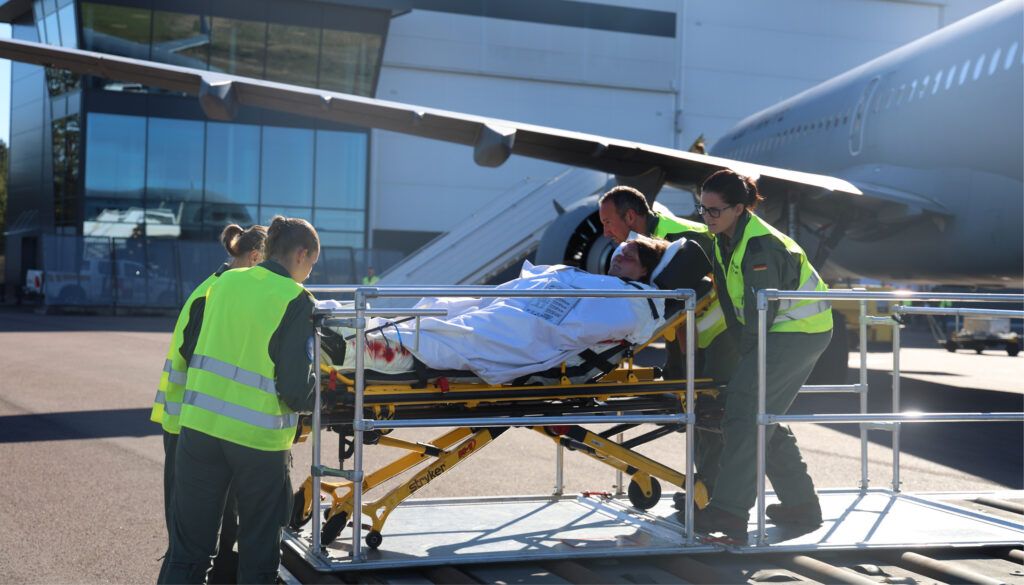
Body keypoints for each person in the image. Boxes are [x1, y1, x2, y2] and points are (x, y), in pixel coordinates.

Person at [159, 216, 320, 584]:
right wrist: (322, 392)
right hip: (257, 444)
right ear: (300, 254)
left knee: (188, 553)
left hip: (199, 431)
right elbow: (296, 390)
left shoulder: (225, 282)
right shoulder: (297, 300)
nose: (310, 272)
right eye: (312, 263)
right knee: (258, 557)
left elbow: (195, 347)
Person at [692, 170, 833, 542]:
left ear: (739, 209)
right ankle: (801, 505)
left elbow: (760, 313)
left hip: (797, 331)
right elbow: (731, 303)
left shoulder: (760, 247)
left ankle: (730, 511)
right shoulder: (724, 239)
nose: (706, 217)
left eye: (714, 210)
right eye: (702, 209)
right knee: (761, 415)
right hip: (777, 330)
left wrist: (748, 361)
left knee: (744, 411)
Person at [324, 237, 673, 385]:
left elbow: (583, 327)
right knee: (439, 310)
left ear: (645, 270)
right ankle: (349, 325)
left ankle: (355, 348)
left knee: (456, 337)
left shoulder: (636, 302)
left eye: (629, 256)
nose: (618, 256)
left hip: (526, 334)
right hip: (511, 309)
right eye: (619, 250)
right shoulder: (599, 283)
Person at [598, 186, 735, 499]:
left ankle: (714, 492)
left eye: (608, 222)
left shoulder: (684, 242)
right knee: (697, 410)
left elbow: (703, 294)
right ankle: (707, 486)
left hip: (718, 333)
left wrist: (688, 357)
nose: (606, 232)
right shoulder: (646, 243)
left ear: (630, 217)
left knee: (716, 410)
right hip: (691, 331)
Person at [151, 223, 266, 585]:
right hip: (189, 428)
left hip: (209, 426)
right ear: (255, 257)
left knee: (220, 532)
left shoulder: (219, 288)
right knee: (189, 543)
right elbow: (202, 357)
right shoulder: (216, 293)